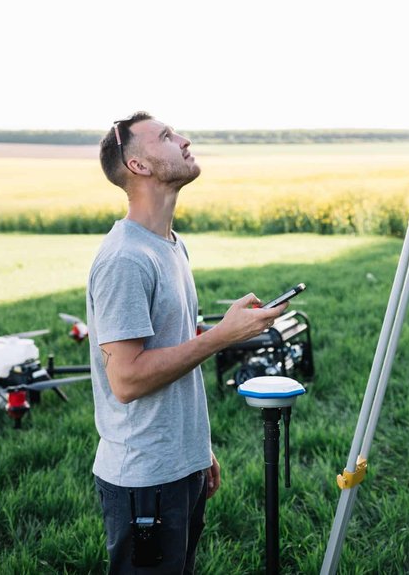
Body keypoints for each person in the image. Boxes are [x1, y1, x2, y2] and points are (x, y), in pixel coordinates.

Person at [87, 111, 287, 574]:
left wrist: (198, 450)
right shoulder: (125, 259)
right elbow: (127, 380)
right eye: (166, 136)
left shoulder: (171, 244)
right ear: (138, 165)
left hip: (180, 465)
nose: (184, 140)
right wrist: (221, 336)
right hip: (144, 479)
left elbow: (173, 352)